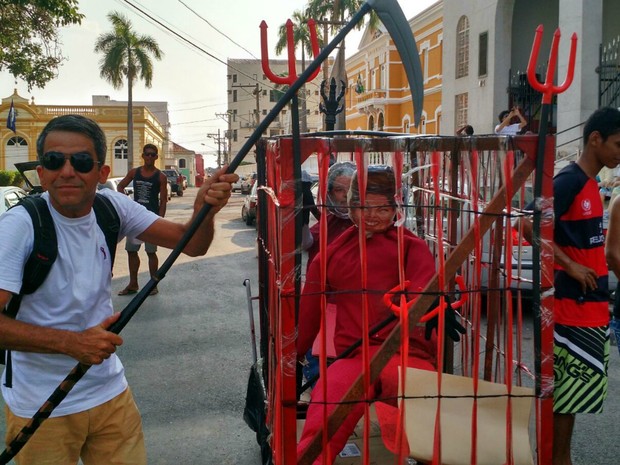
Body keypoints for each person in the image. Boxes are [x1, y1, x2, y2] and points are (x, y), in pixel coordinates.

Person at [0, 114, 238, 465]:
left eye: (81, 161)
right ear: (41, 171)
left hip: (108, 392)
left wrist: (205, 209)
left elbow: (191, 244)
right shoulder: (19, 225)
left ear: (102, 172)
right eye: (54, 160)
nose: (67, 171)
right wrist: (72, 343)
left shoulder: (111, 206)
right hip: (40, 403)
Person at [296, 165, 459, 463]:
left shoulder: (412, 248)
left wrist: (430, 306)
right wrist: (292, 354)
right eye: (362, 207)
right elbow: (309, 311)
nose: (371, 215)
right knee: (324, 416)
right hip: (354, 356)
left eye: (382, 208)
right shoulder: (330, 254)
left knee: (429, 422)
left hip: (408, 353)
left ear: (395, 206)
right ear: (350, 207)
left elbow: (425, 294)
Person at [521, 107, 620, 465]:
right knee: (564, 400)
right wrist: (570, 265)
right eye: (617, 144)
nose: (619, 153)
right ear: (595, 139)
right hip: (570, 309)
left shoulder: (592, 183)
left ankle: (559, 458)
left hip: (591, 308)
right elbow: (528, 226)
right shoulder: (570, 181)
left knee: (574, 400)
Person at [117, 144, 168, 296]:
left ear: (156, 157)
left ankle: (153, 284)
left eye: (153, 155)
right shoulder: (134, 172)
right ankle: (133, 284)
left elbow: (163, 201)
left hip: (151, 220)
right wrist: (127, 203)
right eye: (148, 154)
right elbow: (120, 186)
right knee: (131, 251)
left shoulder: (161, 177)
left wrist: (160, 220)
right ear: (143, 156)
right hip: (134, 219)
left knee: (151, 252)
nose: (150, 157)